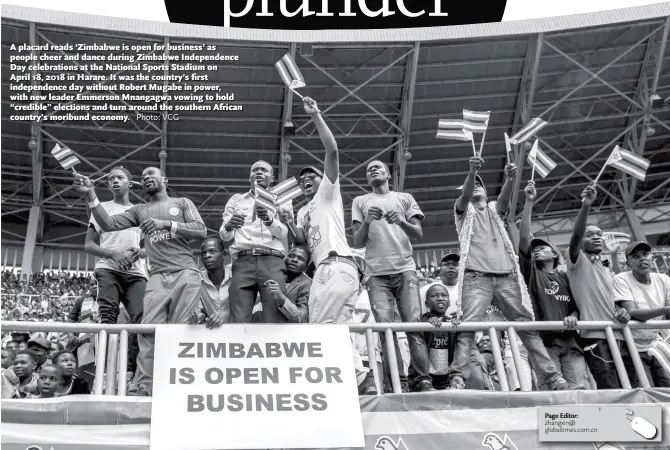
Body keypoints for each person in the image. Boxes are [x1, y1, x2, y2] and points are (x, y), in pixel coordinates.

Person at [74, 166, 207, 396]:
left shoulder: (182, 203)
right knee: (147, 332)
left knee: (180, 332)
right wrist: (91, 196)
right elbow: (108, 225)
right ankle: (145, 389)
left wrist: (166, 224)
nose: (146, 177)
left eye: (151, 173)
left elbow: (201, 231)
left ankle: (176, 386)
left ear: (164, 179)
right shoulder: (139, 210)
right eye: (143, 175)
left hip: (185, 272)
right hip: (156, 276)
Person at [448, 156, 572, 391]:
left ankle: (551, 377)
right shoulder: (463, 213)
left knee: (526, 327)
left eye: (479, 184)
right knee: (468, 326)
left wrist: (510, 178)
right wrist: (472, 172)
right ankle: (457, 376)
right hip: (476, 277)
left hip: (506, 277)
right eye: (472, 183)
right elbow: (464, 196)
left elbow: (504, 202)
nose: (474, 186)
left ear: (486, 192)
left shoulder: (495, 211)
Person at [294, 97, 376, 395]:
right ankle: (361, 380)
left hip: (337, 265)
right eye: (301, 178)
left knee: (320, 330)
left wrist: (315, 114)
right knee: (332, 329)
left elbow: (332, 151)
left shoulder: (327, 194)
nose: (305, 180)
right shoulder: (303, 212)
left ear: (322, 179)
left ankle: (353, 380)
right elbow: (302, 242)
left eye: (311, 176)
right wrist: (286, 222)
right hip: (324, 271)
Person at [351, 159, 432, 392]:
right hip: (376, 274)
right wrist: (368, 220)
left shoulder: (404, 198)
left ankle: (422, 379)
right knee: (386, 330)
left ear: (388, 174)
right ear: (367, 179)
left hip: (405, 269)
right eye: (368, 170)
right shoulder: (360, 201)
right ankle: (397, 383)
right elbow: (357, 241)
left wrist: (401, 221)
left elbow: (418, 234)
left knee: (413, 325)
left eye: (377, 167)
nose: (372, 170)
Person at [519, 180, 589, 389]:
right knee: (552, 394)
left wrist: (573, 318)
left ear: (555, 254)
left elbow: (576, 307)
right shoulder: (532, 274)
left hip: (571, 342)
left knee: (581, 391)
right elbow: (523, 239)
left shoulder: (566, 277)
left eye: (542, 247)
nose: (537, 250)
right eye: (534, 249)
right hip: (544, 344)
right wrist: (529, 202)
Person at [84, 166, 147, 381]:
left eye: (120, 178)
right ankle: (104, 372)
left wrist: (140, 252)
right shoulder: (102, 209)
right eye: (111, 179)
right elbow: (89, 245)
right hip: (108, 270)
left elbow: (151, 247)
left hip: (136, 273)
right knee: (108, 317)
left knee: (142, 320)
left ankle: (132, 371)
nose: (115, 181)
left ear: (130, 183)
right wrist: (114, 254)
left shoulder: (141, 211)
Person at [566, 182, 632, 389]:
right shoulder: (576, 261)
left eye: (599, 234)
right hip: (595, 337)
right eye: (590, 234)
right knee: (611, 390)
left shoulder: (605, 268)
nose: (596, 237)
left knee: (631, 387)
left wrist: (622, 311)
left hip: (620, 334)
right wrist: (586, 205)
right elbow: (576, 237)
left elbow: (618, 297)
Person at [220, 161, 289, 324]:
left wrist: (268, 219)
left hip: (272, 260)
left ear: (272, 178)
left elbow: (284, 232)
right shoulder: (236, 200)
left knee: (273, 316)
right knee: (238, 317)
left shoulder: (281, 199)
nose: (259, 172)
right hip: (243, 262)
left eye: (264, 170)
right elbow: (224, 235)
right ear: (249, 177)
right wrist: (229, 225)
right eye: (255, 170)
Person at [613, 241, 670, 387]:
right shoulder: (621, 279)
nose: (642, 259)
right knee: (645, 392)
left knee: (666, 389)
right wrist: (664, 309)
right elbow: (631, 312)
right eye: (636, 256)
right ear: (628, 263)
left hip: (656, 343)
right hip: (631, 346)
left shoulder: (663, 279)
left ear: (652, 257)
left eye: (645, 254)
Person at [421, 283, 457, 390]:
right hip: (427, 378)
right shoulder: (421, 320)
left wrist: (456, 325)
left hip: (446, 379)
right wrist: (427, 323)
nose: (440, 299)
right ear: (426, 304)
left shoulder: (451, 322)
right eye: (434, 296)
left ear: (449, 303)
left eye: (444, 295)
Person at [190, 237, 232, 329]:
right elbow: (198, 310)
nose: (207, 256)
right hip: (210, 334)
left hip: (239, 333)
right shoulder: (196, 281)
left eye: (212, 251)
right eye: (203, 253)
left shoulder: (236, 277)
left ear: (223, 254)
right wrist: (200, 316)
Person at [67, 275, 100, 389]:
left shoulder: (112, 301)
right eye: (91, 284)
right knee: (82, 374)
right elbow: (71, 320)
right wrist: (71, 335)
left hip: (103, 343)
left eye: (97, 283)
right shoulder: (81, 301)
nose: (94, 286)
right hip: (83, 344)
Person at [266, 245, 312, 323]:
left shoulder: (307, 283)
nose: (294, 260)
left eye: (300, 258)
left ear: (306, 267)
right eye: (291, 256)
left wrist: (281, 298)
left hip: (285, 331)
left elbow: (303, 318)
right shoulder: (273, 274)